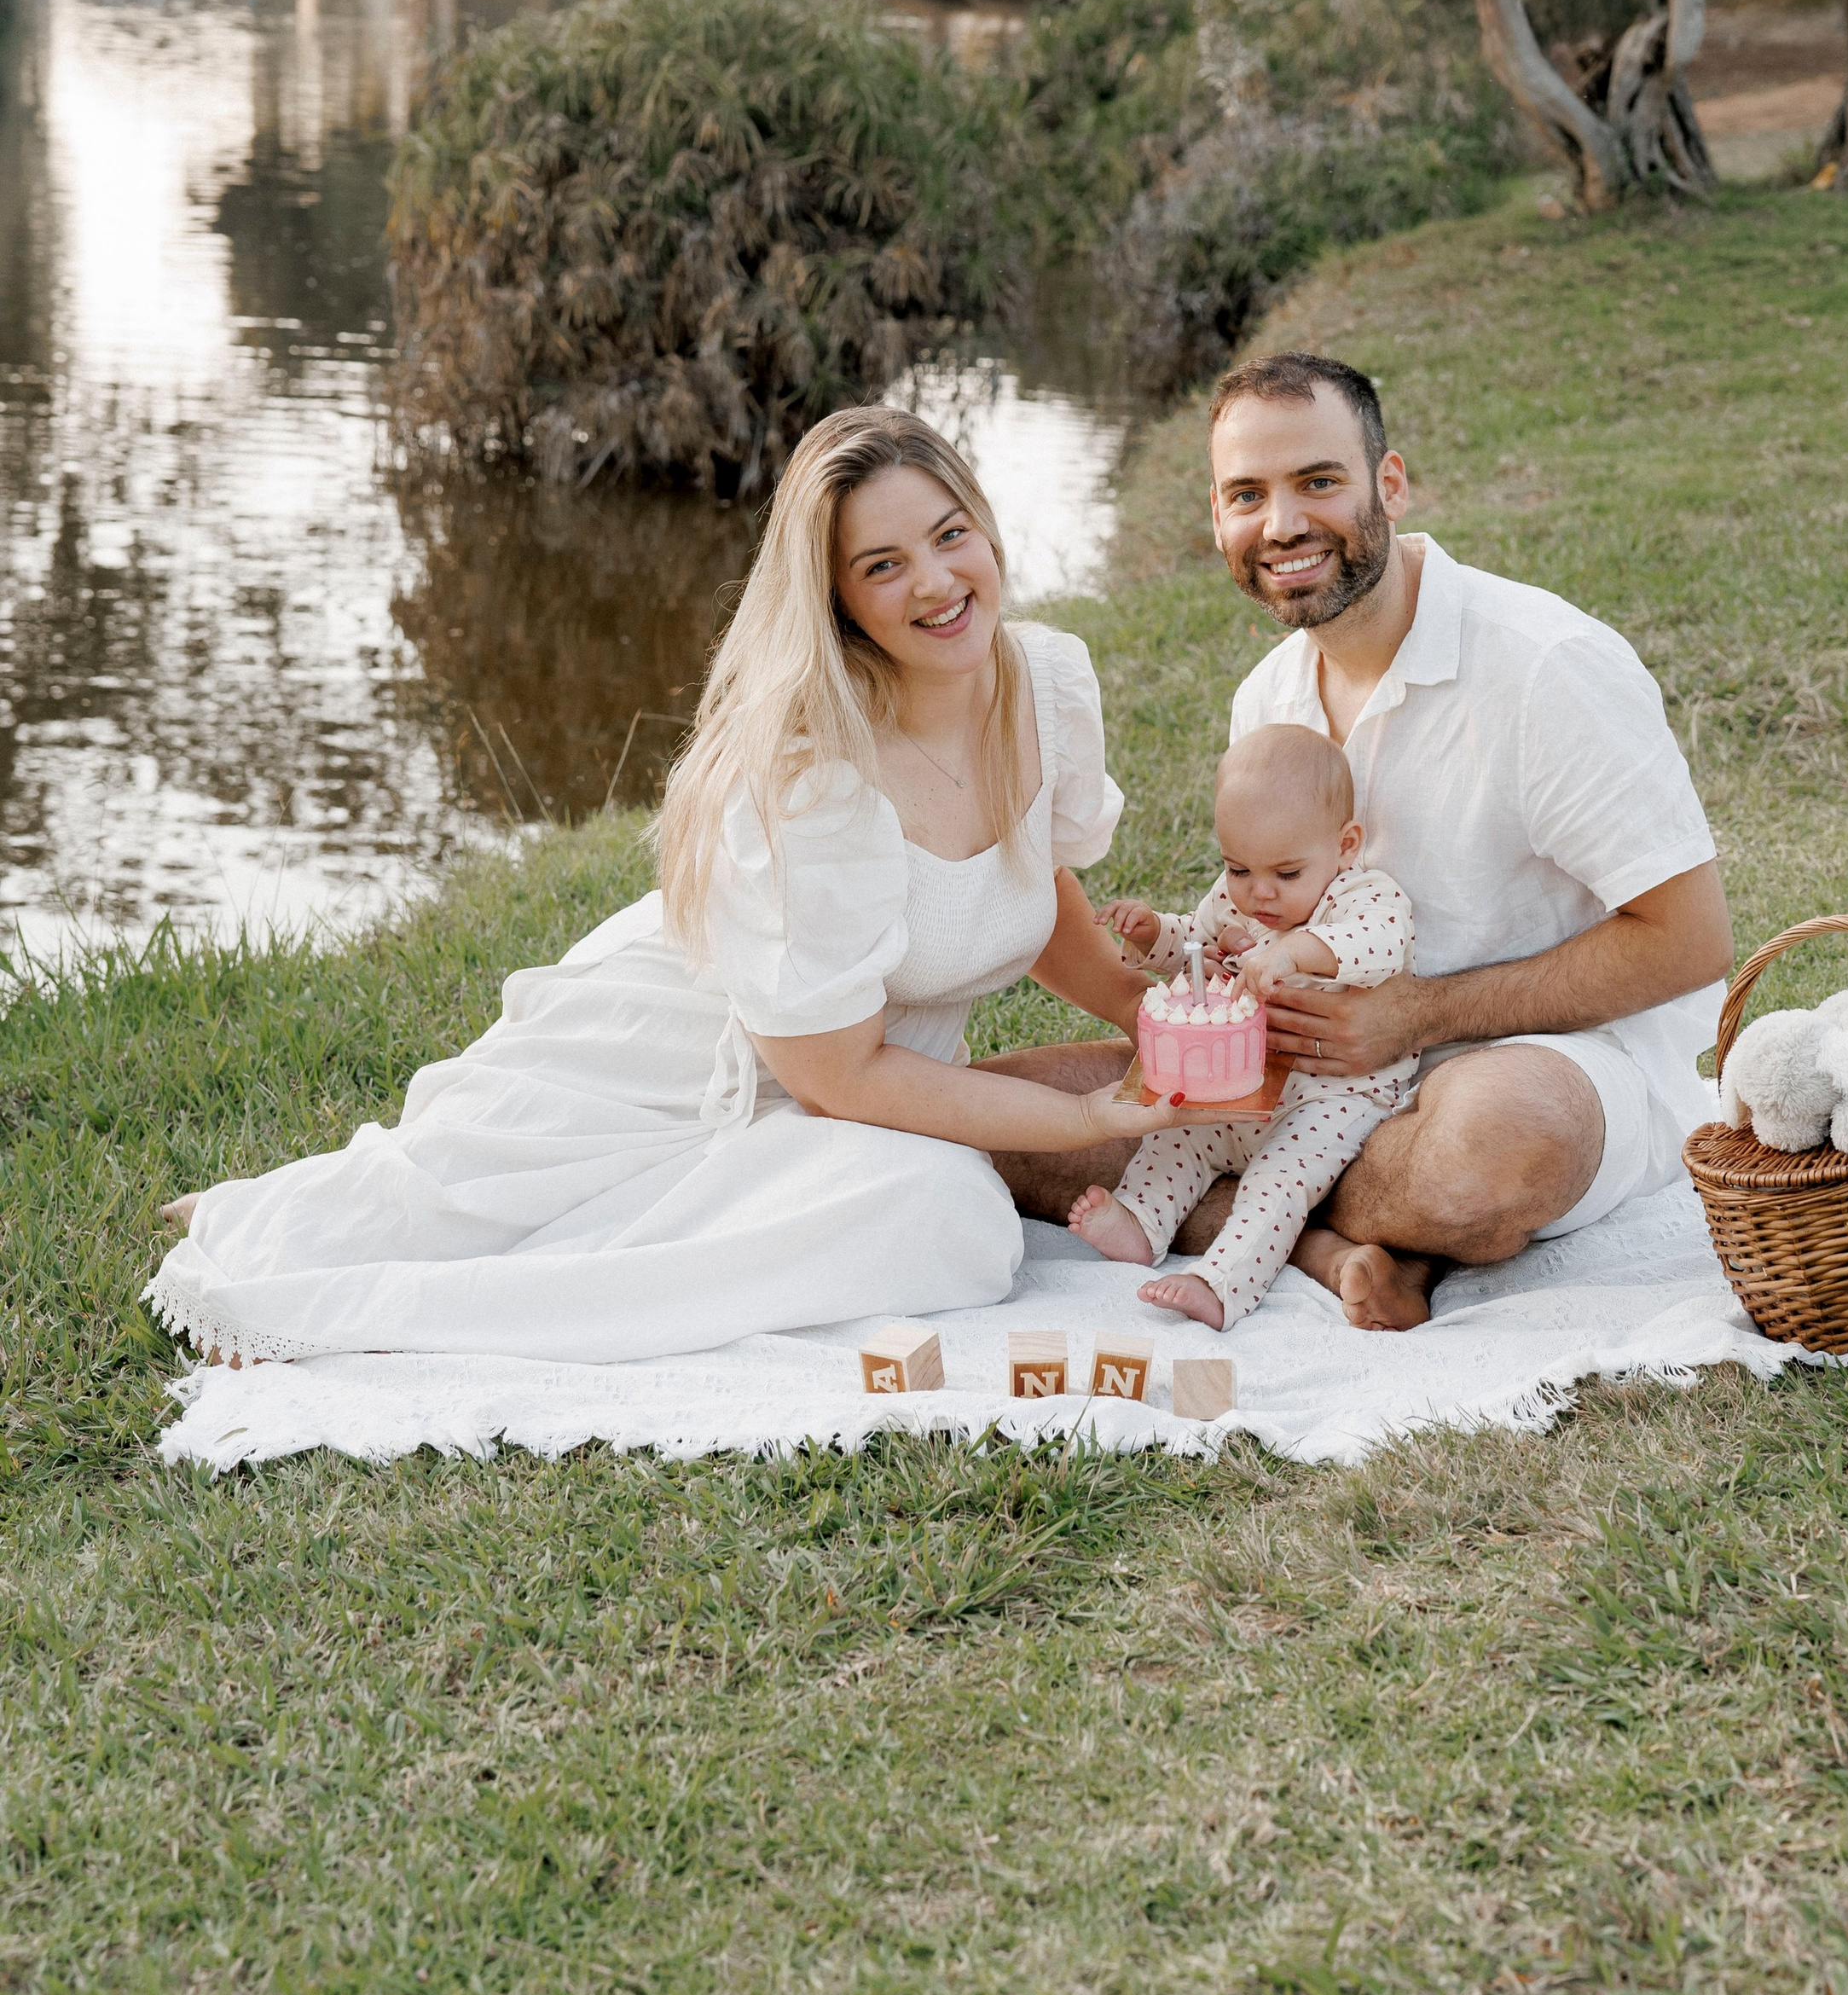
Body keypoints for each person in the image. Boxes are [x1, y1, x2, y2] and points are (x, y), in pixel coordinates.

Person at [146, 411, 1176, 1371]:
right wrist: (1093, 1117)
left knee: (952, 1227)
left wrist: (1151, 1011)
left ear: (986, 528)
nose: (936, 583)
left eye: (951, 536)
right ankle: (311, 1236)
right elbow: (842, 1080)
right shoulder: (813, 774)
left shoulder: (1040, 683)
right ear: (838, 601)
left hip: (846, 1086)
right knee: (940, 1213)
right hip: (677, 1064)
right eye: (882, 565)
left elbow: (1029, 885)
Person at [988, 351, 1734, 1331]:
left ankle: (1283, 1223)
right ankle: (1326, 1242)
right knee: (989, 1116)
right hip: (1306, 1087)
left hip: (1534, 1067)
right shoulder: (1269, 699)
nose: (1283, 523)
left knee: (1491, 1154)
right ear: (1217, 519)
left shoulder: (1546, 667)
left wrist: (1415, 1018)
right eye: (1246, 494)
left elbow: (1689, 941)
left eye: (1318, 482)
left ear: (1388, 483)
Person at [1068, 720, 1417, 1330]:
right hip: (1243, 1086)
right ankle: (1140, 1222)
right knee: (1176, 1133)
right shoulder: (1237, 900)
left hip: (1333, 1097)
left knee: (1276, 1182)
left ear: (1346, 844)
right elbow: (1197, 947)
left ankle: (1223, 1284)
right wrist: (1156, 935)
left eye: (1286, 875)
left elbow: (1377, 944)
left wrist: (1291, 952)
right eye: (1237, 868)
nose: (1259, 895)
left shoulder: (1365, 898)